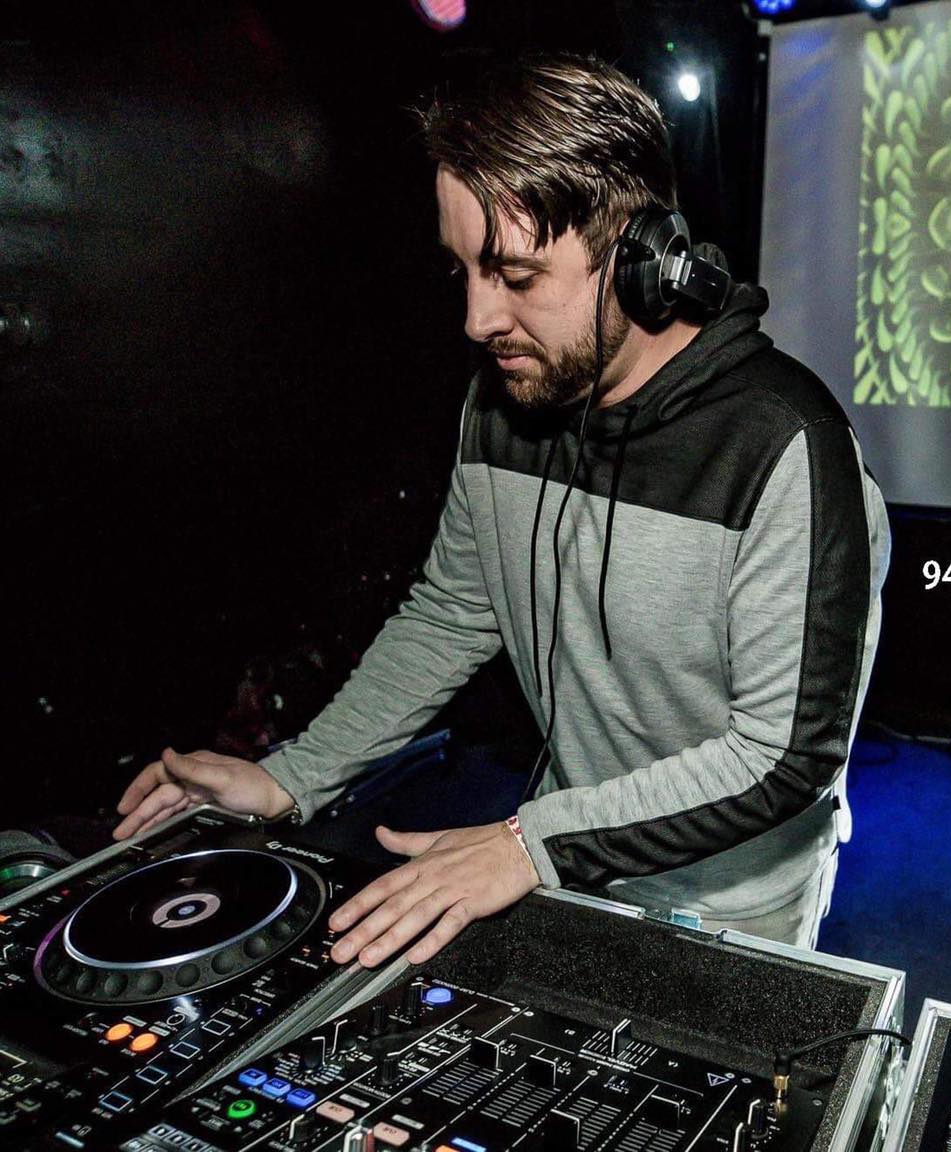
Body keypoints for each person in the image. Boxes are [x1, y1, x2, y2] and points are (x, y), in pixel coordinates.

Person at [113, 52, 890, 962]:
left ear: (643, 261)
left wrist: (530, 845)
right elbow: (451, 613)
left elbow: (781, 757)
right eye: (464, 274)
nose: (478, 321)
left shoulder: (785, 446)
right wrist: (294, 777)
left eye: (516, 276)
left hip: (732, 901)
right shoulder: (504, 403)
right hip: (557, 856)